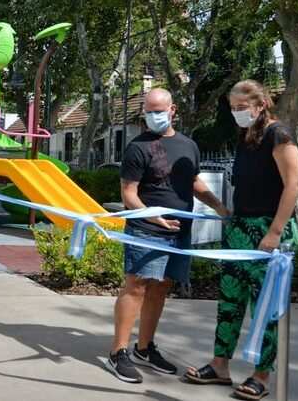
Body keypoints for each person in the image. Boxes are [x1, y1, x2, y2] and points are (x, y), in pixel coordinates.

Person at [185, 80, 298, 400]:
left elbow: (292, 185)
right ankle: (219, 365)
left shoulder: (280, 135)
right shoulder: (246, 137)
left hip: (270, 229)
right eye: (233, 108)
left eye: (241, 107)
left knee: (265, 306)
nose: (236, 113)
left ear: (261, 104)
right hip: (240, 226)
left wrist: (275, 232)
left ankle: (261, 375)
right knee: (230, 300)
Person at [107, 88, 230, 384]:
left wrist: (220, 207)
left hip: (178, 232)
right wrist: (154, 216)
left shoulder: (188, 145)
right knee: (136, 286)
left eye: (159, 110)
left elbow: (193, 181)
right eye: (149, 111)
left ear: (173, 110)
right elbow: (128, 194)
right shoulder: (137, 148)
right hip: (146, 230)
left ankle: (145, 348)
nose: (153, 116)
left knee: (161, 287)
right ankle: (118, 352)